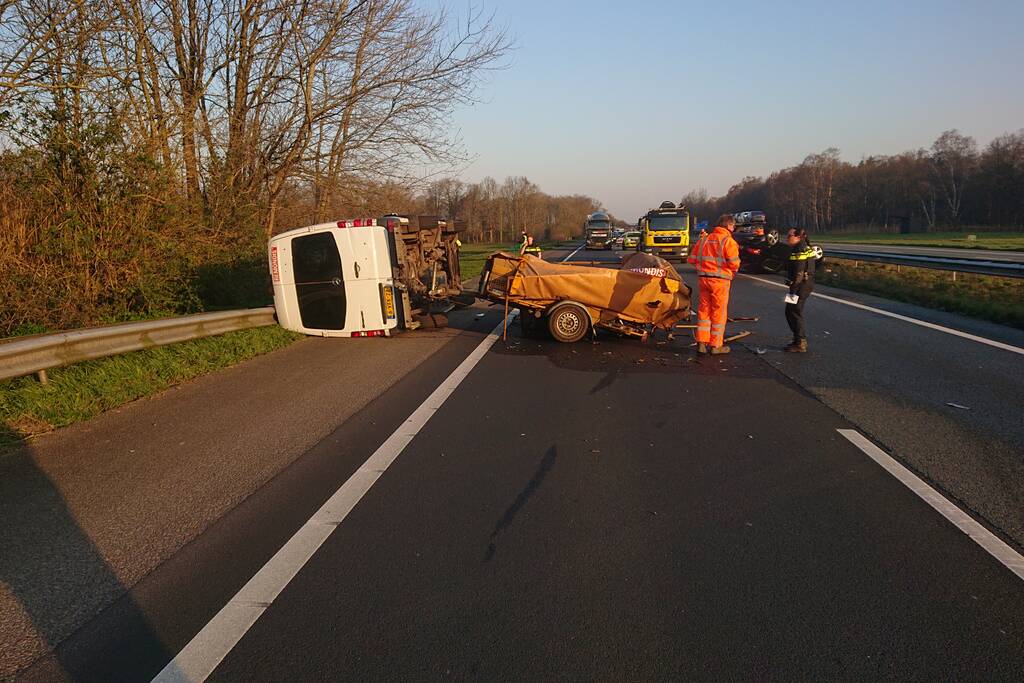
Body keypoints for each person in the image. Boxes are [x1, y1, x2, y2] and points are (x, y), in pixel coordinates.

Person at [687, 214, 740, 354]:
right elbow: (735, 264)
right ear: (728, 225)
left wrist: (704, 267)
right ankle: (716, 346)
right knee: (718, 313)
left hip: (703, 280)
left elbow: (692, 260)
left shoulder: (704, 239)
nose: (734, 228)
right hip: (720, 282)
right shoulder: (728, 241)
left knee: (704, 311)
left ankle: (701, 343)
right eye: (733, 226)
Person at [784, 228, 817, 352]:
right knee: (791, 311)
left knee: (793, 312)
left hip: (800, 286)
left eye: (789, 235)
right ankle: (797, 340)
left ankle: (800, 342)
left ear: (798, 237)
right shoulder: (805, 246)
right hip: (804, 284)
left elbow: (799, 271)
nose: (787, 238)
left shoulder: (799, 248)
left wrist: (793, 288)